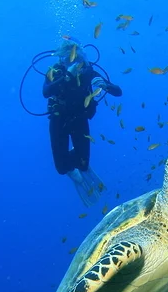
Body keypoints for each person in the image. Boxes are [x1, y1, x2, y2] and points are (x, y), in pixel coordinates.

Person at [43, 39, 122, 206]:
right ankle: (70, 166)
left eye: (76, 58)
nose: (73, 62)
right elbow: (46, 92)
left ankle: (76, 159)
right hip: (59, 120)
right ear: (62, 59)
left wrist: (105, 85)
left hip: (80, 119)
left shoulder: (88, 72)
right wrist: (68, 76)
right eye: (68, 58)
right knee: (61, 169)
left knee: (84, 165)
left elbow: (118, 92)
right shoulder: (55, 71)